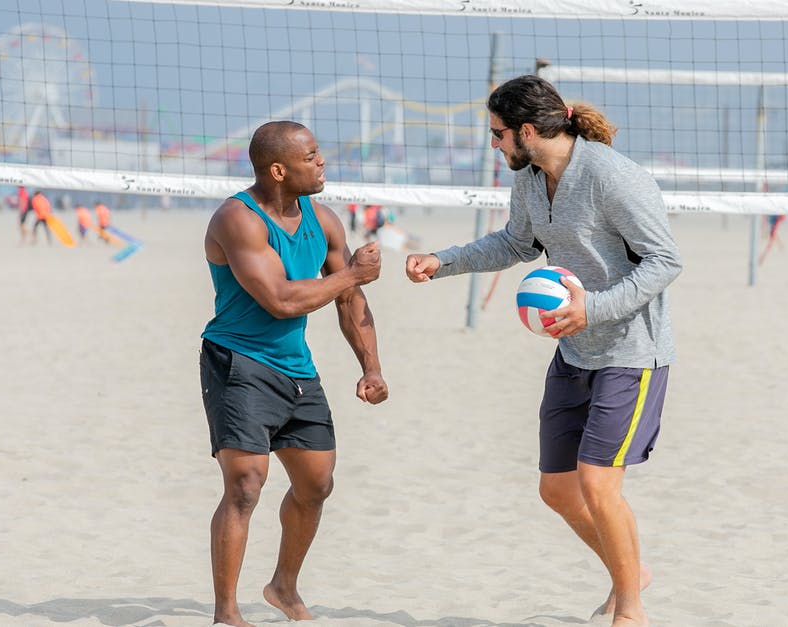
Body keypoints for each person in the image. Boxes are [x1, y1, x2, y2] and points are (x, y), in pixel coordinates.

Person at [404, 75, 681, 627]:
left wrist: (593, 309)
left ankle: (630, 609)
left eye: (498, 133)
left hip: (631, 352)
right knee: (556, 489)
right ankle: (632, 571)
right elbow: (515, 243)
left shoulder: (613, 177)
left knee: (598, 484)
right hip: (573, 351)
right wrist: (444, 260)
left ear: (527, 130)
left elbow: (665, 261)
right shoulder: (531, 179)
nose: (494, 144)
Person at [199, 120, 387, 627]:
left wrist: (371, 367)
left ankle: (282, 586)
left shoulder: (323, 220)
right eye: (312, 156)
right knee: (245, 484)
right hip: (238, 361)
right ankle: (227, 614)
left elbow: (348, 297)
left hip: (296, 368)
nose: (322, 161)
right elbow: (281, 300)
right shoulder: (238, 220)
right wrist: (352, 272)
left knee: (316, 485)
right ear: (279, 169)